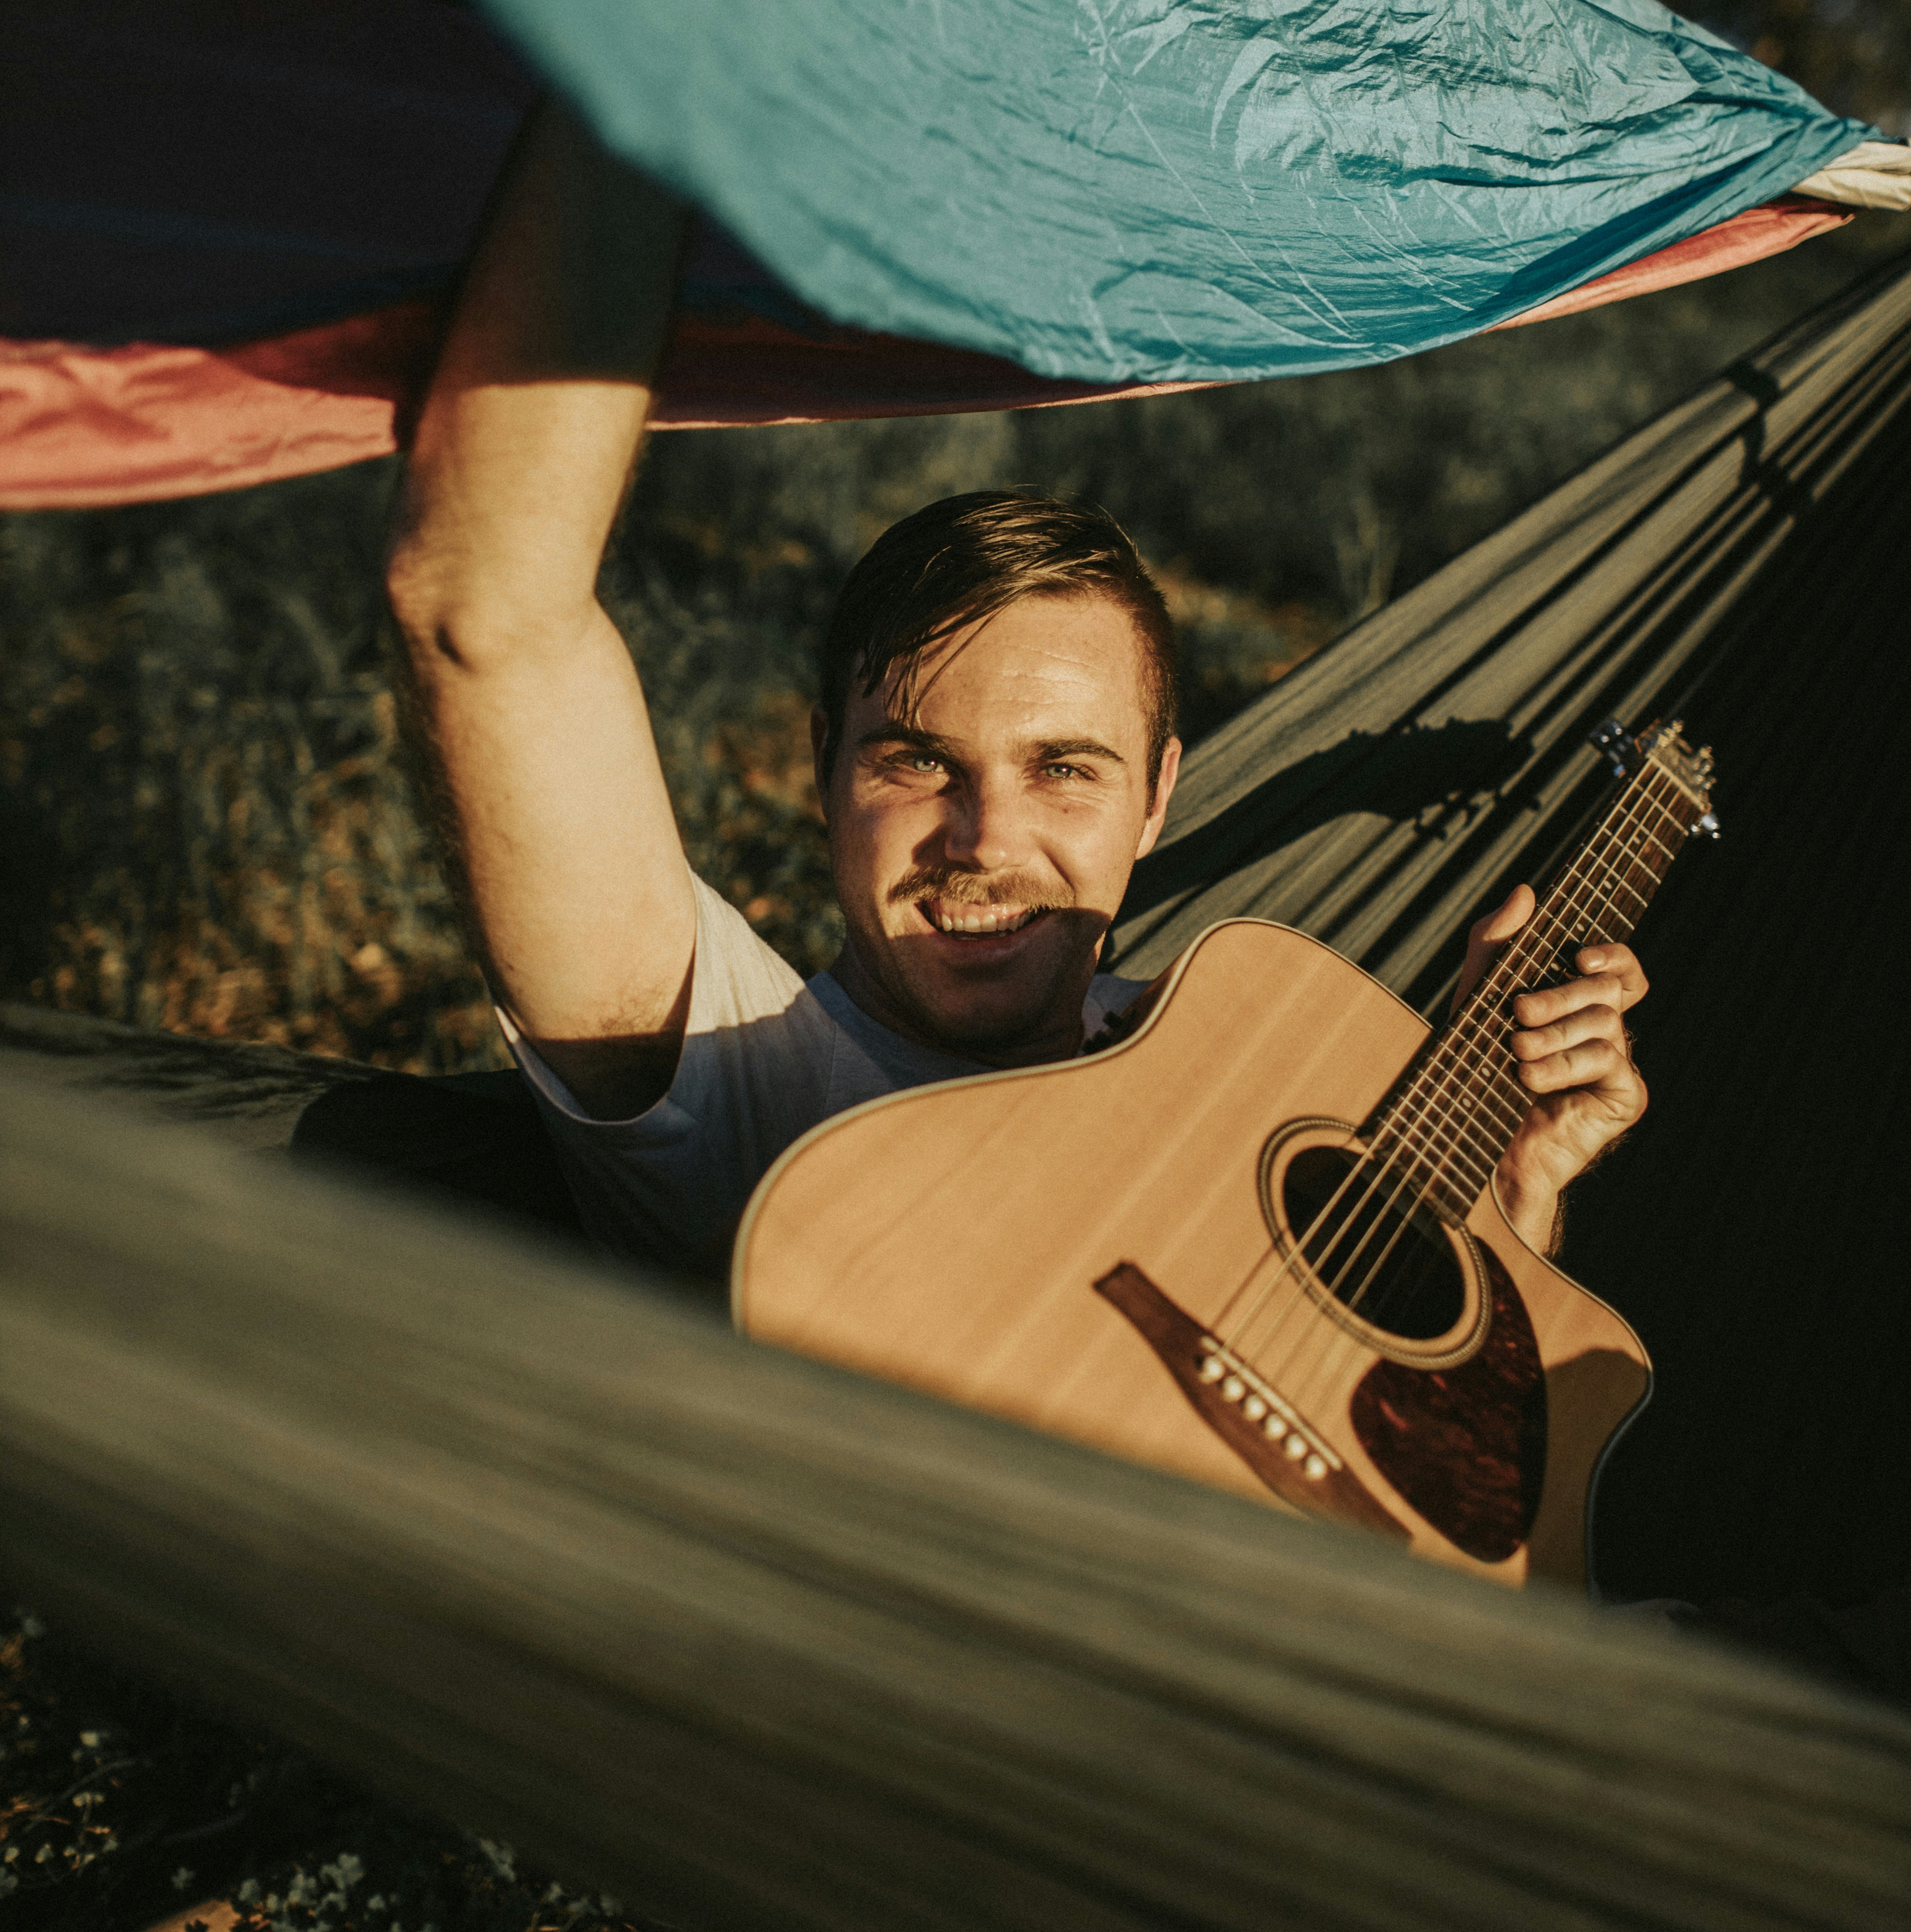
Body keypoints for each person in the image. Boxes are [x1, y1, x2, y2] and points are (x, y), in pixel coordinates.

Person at [384, 102, 1650, 1278]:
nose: (988, 844)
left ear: (1158, 797)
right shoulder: (724, 1068)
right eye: (921, 761)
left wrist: (1508, 1199)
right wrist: (638, 62)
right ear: (826, 768)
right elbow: (485, 615)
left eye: (1064, 768)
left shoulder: (1254, 1073)